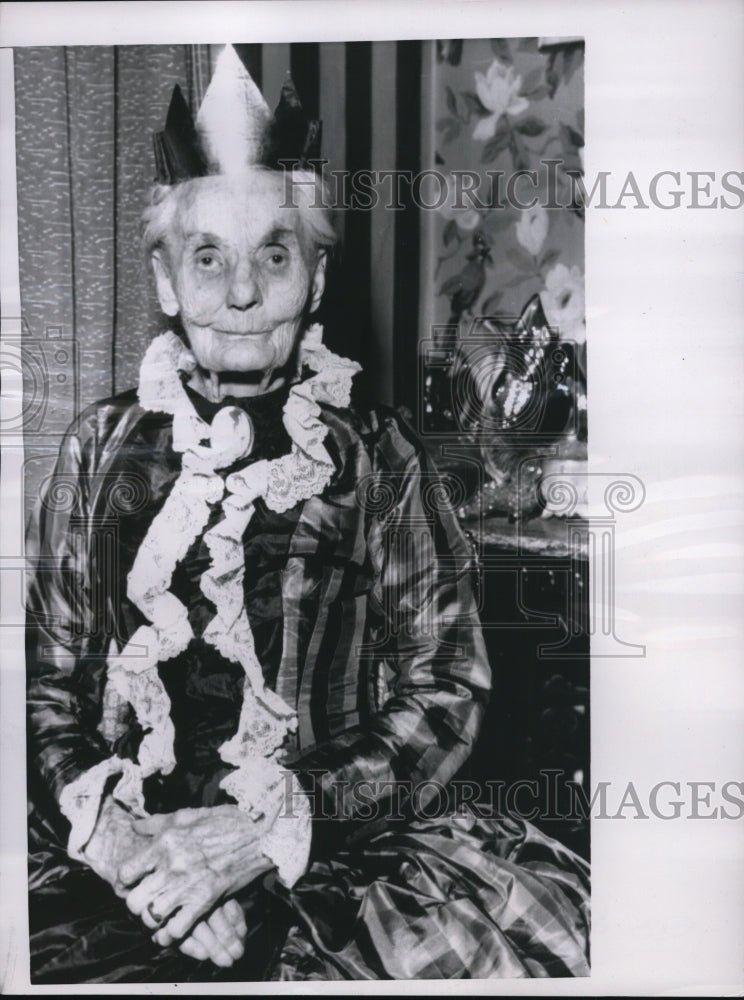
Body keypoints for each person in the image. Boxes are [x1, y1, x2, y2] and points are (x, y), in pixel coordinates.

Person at [25, 46, 590, 983]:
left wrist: (266, 835)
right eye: (209, 258)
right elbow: (46, 690)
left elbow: (446, 692)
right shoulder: (94, 450)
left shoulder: (381, 458)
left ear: (315, 282)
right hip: (122, 845)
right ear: (166, 282)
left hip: (342, 847)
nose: (241, 293)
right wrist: (136, 859)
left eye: (274, 255)